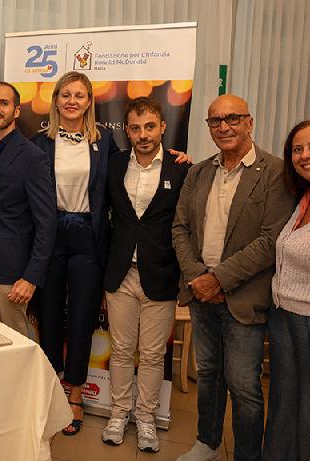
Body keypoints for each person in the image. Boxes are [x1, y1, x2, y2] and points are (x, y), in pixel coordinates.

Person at [171, 94, 294, 461]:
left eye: (232, 119)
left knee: (244, 387)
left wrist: (219, 280)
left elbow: (271, 240)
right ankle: (207, 443)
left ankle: (246, 455)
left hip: (242, 297)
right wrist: (198, 278)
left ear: (249, 122)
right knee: (208, 375)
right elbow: (180, 228)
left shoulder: (274, 172)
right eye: (215, 121)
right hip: (200, 292)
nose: (224, 127)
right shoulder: (199, 172)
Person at [99, 96, 192, 451]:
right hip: (120, 274)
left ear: (163, 127)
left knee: (153, 355)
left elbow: (187, 225)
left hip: (160, 275)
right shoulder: (114, 164)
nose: (143, 135)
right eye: (135, 128)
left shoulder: (181, 169)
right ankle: (119, 413)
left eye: (150, 126)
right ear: (127, 130)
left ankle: (147, 418)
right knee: (122, 351)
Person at [27, 71, 115, 436]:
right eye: (66, 94)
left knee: (81, 320)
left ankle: (76, 395)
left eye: (80, 95)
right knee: (48, 319)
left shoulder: (105, 141)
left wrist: (175, 160)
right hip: (49, 237)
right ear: (56, 100)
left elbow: (127, 176)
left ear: (89, 102)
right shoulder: (38, 142)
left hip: (87, 237)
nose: (72, 101)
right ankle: (50, 395)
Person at [263, 118, 310, 461]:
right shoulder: (304, 198)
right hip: (285, 317)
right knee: (283, 412)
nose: (305, 155)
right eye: (297, 149)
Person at [0, 81, 55, 337]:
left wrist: (31, 277)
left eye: (3, 103)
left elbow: (47, 221)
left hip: (14, 273)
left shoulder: (31, 156)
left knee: (15, 343)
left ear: (17, 111)